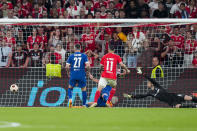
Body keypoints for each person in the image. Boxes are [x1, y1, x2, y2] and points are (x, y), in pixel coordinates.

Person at [124, 67, 197, 108]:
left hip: (174, 96)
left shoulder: (156, 85)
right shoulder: (150, 93)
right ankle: (194, 107)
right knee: (178, 107)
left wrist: (142, 73)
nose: (147, 83)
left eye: (148, 82)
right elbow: (141, 96)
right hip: (171, 102)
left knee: (190, 98)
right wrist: (131, 96)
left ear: (152, 83)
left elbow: (150, 79)